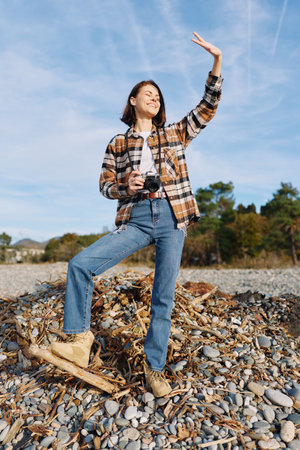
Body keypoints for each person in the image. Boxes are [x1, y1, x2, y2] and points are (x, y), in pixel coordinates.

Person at [50, 32, 222, 398]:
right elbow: (104, 185)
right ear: (133, 100)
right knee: (81, 264)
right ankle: (79, 341)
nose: (154, 98)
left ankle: (154, 370)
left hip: (174, 217)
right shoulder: (117, 142)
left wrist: (216, 62)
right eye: (148, 93)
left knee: (163, 296)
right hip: (138, 217)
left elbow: (206, 108)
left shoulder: (175, 133)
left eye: (158, 96)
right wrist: (125, 186)